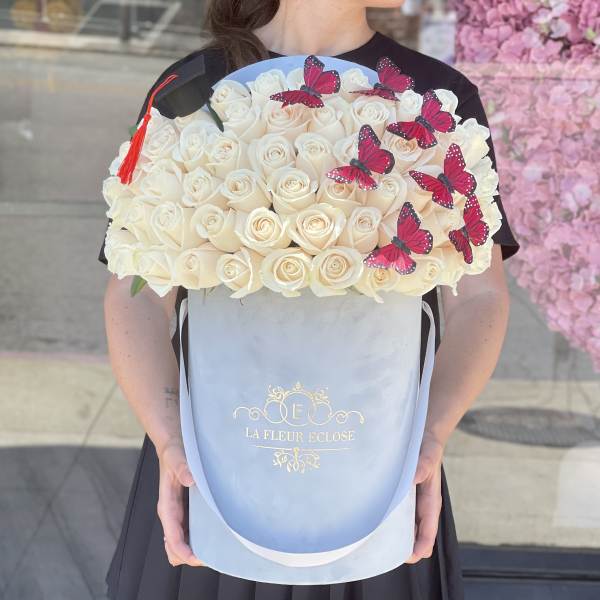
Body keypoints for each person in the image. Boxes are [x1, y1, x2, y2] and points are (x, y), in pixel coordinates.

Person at [99, 1, 520, 599]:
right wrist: (171, 440)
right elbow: (136, 292)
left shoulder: (435, 96)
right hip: (215, 458)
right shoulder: (193, 90)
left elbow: (479, 294)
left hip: (377, 459)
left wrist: (430, 437)